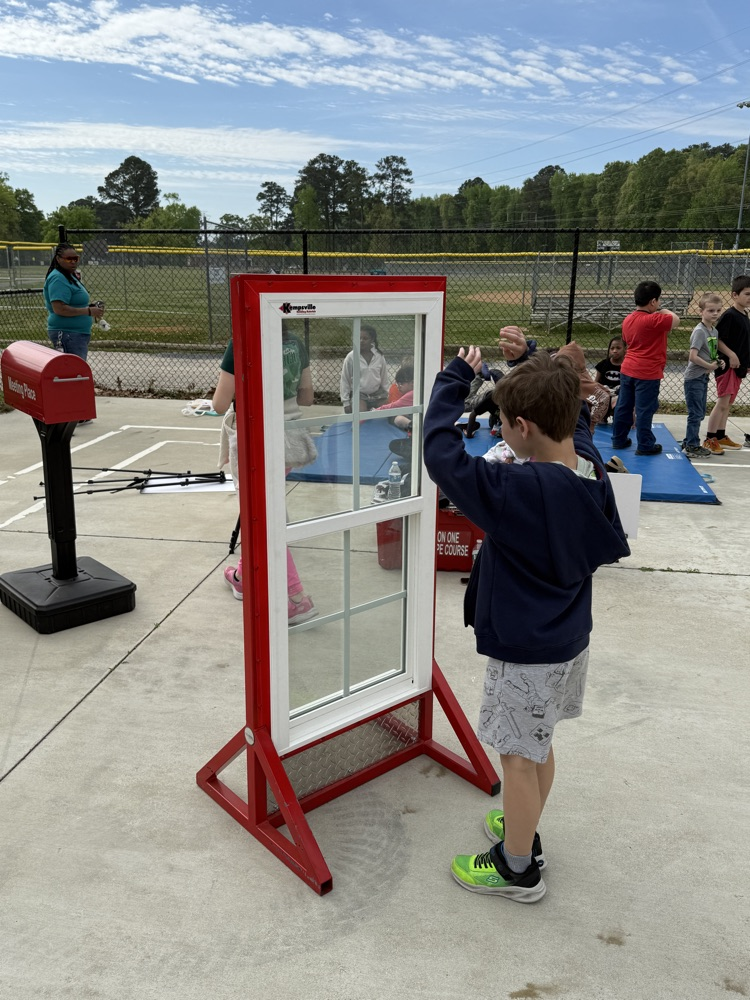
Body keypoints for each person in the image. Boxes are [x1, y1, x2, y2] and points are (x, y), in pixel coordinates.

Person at [423, 330, 630, 903]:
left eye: (505, 424)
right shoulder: (589, 465)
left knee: (516, 757)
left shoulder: (516, 487)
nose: (500, 432)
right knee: (537, 744)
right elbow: (578, 422)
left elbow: (441, 455)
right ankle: (524, 828)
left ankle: (517, 867)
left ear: (523, 431)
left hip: (527, 649)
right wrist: (540, 367)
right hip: (567, 639)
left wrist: (451, 384)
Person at [213, 331, 318, 624]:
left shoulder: (242, 341)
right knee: (260, 511)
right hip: (292, 438)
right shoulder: (296, 343)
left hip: (257, 441)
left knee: (265, 520)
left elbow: (220, 404)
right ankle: (245, 577)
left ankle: (295, 598)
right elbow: (307, 397)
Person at [610, 280, 680, 456]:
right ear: (653, 301)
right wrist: (662, 310)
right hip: (647, 372)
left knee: (624, 406)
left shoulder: (628, 319)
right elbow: (675, 320)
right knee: (644, 410)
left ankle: (619, 439)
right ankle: (645, 444)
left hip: (628, 368)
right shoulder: (655, 319)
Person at [702, 275, 750, 454]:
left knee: (728, 403)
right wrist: (731, 355)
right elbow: (717, 338)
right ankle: (709, 438)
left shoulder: (744, 314)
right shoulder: (729, 315)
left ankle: (720, 436)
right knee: (722, 403)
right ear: (734, 295)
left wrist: (746, 362)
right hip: (727, 366)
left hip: (739, 367)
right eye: (747, 294)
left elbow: (743, 342)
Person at [44, 242, 105, 362]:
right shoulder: (58, 278)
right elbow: (59, 308)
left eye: (75, 258)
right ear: (58, 259)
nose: (73, 261)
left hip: (76, 334)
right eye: (68, 259)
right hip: (68, 334)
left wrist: (91, 307)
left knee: (75, 372)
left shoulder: (69, 275)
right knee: (72, 373)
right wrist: (88, 311)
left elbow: (74, 302)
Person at [681, 294, 724, 459]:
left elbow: (711, 354)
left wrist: (718, 362)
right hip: (694, 378)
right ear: (701, 311)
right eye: (710, 310)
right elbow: (693, 356)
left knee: (699, 412)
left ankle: (688, 441)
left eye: (718, 310)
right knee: (696, 413)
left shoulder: (713, 330)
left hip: (703, 377)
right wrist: (709, 366)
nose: (715, 313)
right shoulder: (699, 331)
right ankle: (692, 445)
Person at [340, 324, 389, 412]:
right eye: (359, 338)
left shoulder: (379, 356)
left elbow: (384, 377)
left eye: (365, 338)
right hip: (359, 395)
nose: (361, 341)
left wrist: (387, 394)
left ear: (372, 339)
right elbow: (345, 380)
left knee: (386, 413)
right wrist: (345, 402)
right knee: (361, 417)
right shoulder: (351, 357)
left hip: (377, 394)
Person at [374, 365, 414, 430]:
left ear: (412, 382)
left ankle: (414, 428)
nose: (398, 386)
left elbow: (392, 406)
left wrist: (374, 412)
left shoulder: (411, 394)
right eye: (397, 383)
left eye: (401, 383)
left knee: (397, 419)